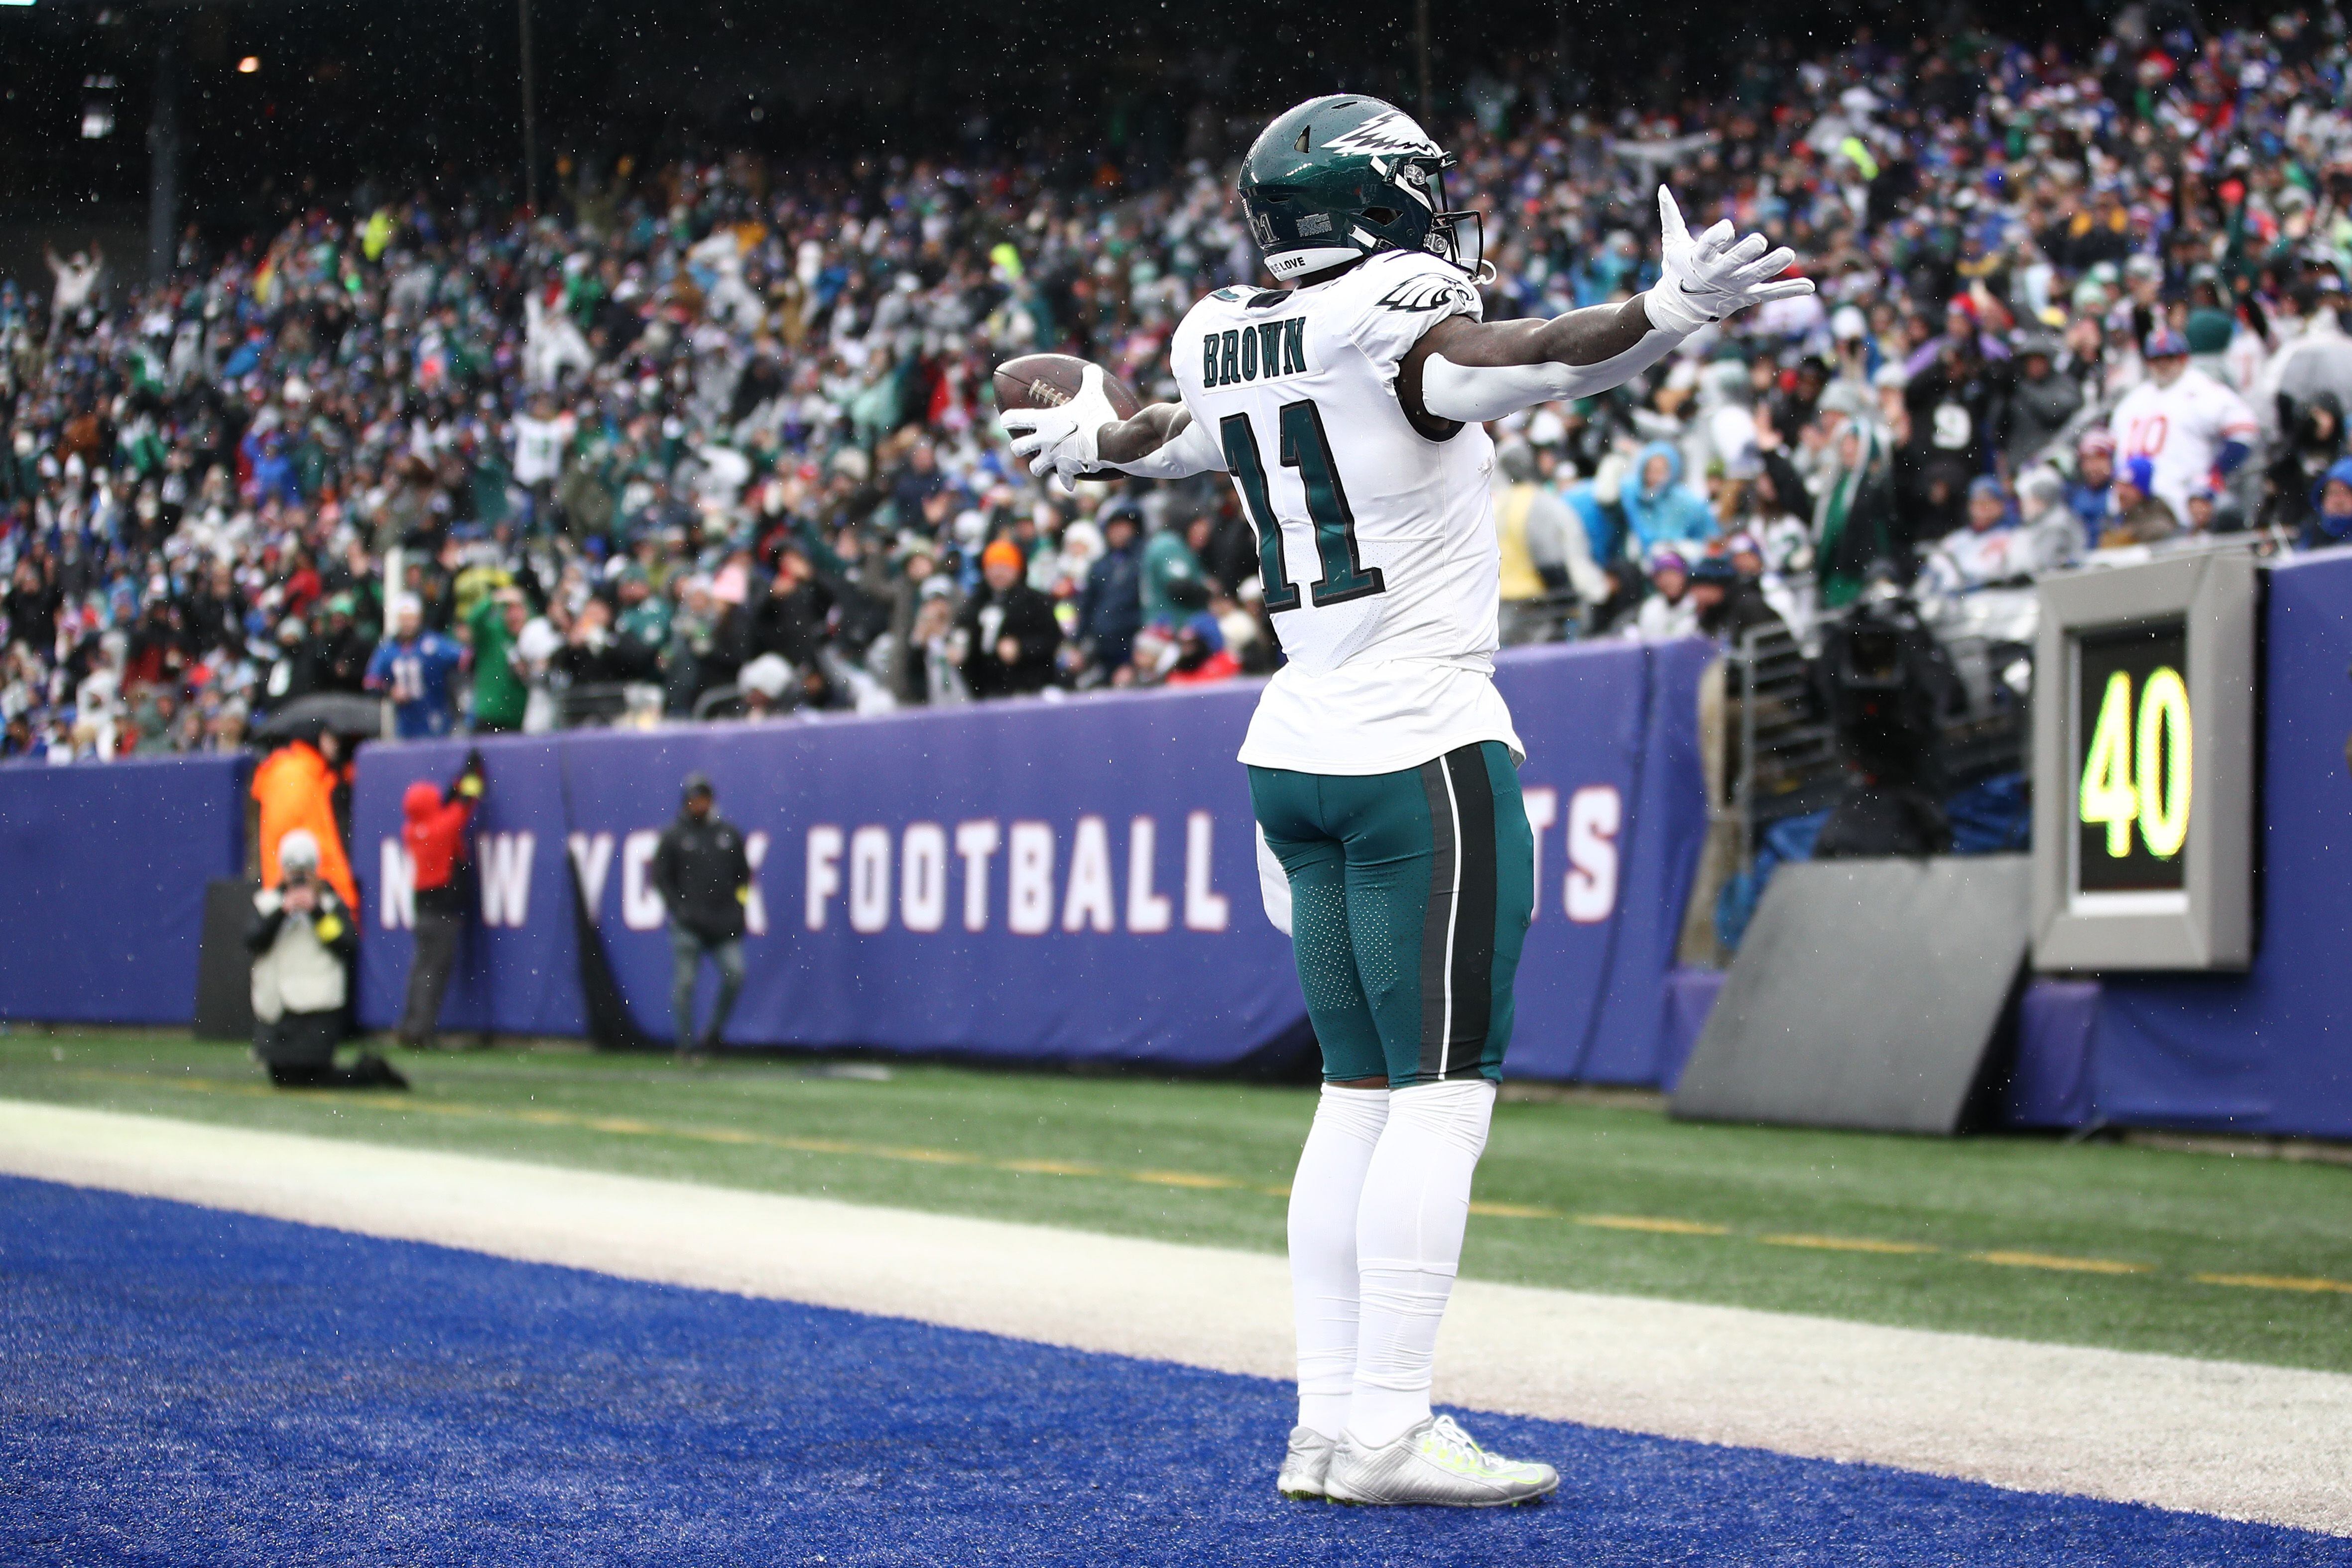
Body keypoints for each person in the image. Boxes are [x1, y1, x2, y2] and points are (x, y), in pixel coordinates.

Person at [1005, 94, 1806, 1508]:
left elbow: (1182, 436)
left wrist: (1090, 442)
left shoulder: (1220, 329)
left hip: (1296, 752)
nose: (1443, 212)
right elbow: (1524, 360)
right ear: (1375, 204)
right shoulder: (1397, 314)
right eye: (1420, 189)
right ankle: (1385, 1424)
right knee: (1439, 1098)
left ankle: (1328, 1422)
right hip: (1417, 746)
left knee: (1355, 1095)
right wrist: (1669, 308)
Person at [248, 829, 404, 1089]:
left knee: (312, 1079)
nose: (298, 878)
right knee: (284, 1080)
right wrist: (283, 912)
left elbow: (345, 944)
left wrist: (316, 913)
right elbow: (254, 940)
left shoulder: (331, 905)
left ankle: (371, 1072)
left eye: (305, 870)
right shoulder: (268, 903)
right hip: (278, 1007)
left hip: (316, 1005)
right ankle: (369, 1072)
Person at [2108, 329, 2258, 525]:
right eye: (2156, 359)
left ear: (2183, 358)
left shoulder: (2203, 390)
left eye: (2169, 357)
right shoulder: (2132, 401)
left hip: (2181, 501)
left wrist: (2215, 473)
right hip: (2130, 504)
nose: (2162, 364)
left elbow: (2244, 432)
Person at [652, 772, 751, 1060]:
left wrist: (739, 910)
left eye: (704, 799)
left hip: (723, 924)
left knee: (735, 973)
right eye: (695, 799)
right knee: (685, 983)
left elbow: (743, 879)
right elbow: (661, 878)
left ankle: (712, 1034)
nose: (700, 804)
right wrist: (678, 908)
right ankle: (685, 1046)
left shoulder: (728, 834)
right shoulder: (674, 835)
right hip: (688, 925)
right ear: (686, 802)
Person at [395, 750, 487, 1050]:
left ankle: (411, 1027)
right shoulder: (442, 828)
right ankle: (421, 1032)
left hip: (424, 910)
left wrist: (461, 777)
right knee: (433, 974)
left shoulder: (412, 830)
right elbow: (464, 805)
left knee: (420, 970)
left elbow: (446, 804)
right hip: (443, 912)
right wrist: (474, 776)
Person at [953, 539, 1060, 699]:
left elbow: (1052, 639)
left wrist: (1021, 648)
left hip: (1028, 688)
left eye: (1004, 568)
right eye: (993, 568)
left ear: (1017, 570)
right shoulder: (976, 603)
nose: (998, 574)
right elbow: (963, 634)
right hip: (984, 691)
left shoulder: (1035, 601)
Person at [366, 596, 466, 739]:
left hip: (436, 718)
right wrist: (391, 691)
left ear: (419, 618)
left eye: (411, 618)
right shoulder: (388, 649)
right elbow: (371, 682)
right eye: (404, 618)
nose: (408, 623)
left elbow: (464, 659)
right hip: (406, 723)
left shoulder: (432, 644)